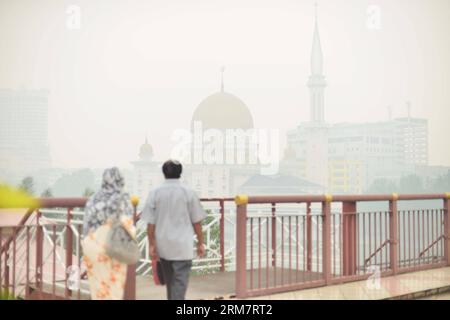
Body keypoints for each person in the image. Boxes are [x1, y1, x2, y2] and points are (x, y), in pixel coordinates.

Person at [141, 160, 206, 300]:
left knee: (171, 285)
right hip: (183, 247)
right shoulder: (189, 193)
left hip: (164, 247)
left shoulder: (155, 193)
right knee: (179, 286)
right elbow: (197, 222)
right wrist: (200, 243)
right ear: (180, 173)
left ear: (164, 173)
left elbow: (150, 224)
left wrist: (151, 244)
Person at [81, 167, 135, 300]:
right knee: (114, 287)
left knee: (98, 287)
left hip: (92, 249)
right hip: (114, 248)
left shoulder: (94, 198)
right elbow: (128, 225)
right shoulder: (123, 198)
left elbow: (86, 226)